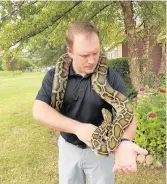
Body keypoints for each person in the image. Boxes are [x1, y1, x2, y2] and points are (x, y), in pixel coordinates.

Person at [32, 22, 148, 184]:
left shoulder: (110, 77)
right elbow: (39, 110)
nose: (92, 60)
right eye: (85, 55)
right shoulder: (54, 76)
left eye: (96, 52)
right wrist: (78, 128)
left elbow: (127, 112)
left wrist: (125, 141)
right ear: (70, 52)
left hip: (102, 154)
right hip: (68, 148)